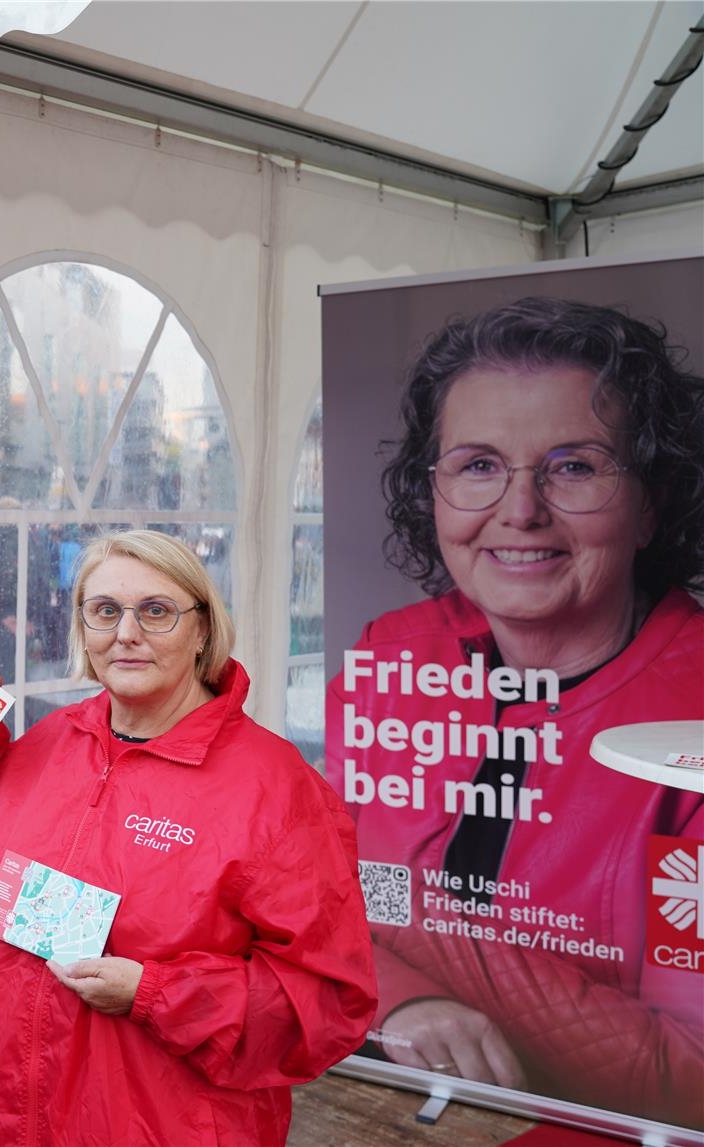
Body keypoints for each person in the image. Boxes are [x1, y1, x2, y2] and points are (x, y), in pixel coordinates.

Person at [326, 297, 704, 1125]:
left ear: (651, 500)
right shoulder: (392, 658)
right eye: (478, 464)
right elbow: (306, 905)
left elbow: (687, 1075)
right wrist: (401, 999)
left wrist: (393, 912)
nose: (520, 509)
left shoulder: (696, 727)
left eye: (575, 465)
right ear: (432, 492)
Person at [0, 528, 376, 1145]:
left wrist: (157, 992)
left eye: (156, 612)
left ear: (202, 630)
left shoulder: (276, 791)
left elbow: (328, 1003)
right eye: (105, 610)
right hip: (14, 1112)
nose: (127, 633)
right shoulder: (53, 742)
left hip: (164, 1123)